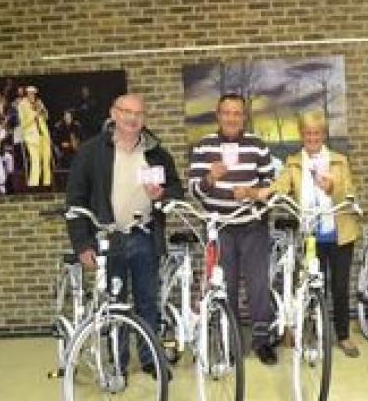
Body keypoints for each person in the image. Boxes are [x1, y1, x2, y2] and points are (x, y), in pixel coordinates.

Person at [65, 93, 183, 378]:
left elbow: (177, 191)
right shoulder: (92, 152)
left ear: (144, 118)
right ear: (113, 113)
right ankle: (118, 363)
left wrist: (162, 194)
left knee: (147, 302)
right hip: (108, 239)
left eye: (138, 113)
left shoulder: (156, 153)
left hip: (144, 235)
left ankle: (150, 359)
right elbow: (75, 200)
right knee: (114, 304)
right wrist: (82, 243)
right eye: (126, 111)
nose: (132, 118)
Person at [260, 109, 361, 357]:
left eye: (317, 133)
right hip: (311, 236)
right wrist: (266, 192)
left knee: (339, 287)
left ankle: (343, 336)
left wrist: (332, 188)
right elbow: (282, 185)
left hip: (339, 234)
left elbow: (350, 194)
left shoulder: (339, 161)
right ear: (301, 134)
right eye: (308, 133)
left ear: (323, 134)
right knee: (313, 287)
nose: (313, 138)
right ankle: (315, 332)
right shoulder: (294, 162)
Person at [188, 93, 278, 365]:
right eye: (226, 113)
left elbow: (272, 187)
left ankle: (262, 341)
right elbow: (194, 191)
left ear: (244, 117)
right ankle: (232, 341)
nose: (231, 118)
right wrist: (209, 178)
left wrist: (252, 192)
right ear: (218, 115)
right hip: (219, 228)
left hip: (252, 225)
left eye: (237, 113)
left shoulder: (258, 146)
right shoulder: (203, 147)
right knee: (224, 286)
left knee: (258, 285)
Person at [17, 85, 52, 187]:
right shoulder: (22, 105)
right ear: (27, 94)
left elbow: (46, 117)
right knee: (35, 160)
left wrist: (43, 110)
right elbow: (23, 124)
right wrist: (35, 113)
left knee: (46, 160)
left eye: (34, 93)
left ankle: (47, 183)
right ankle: (34, 184)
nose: (32, 95)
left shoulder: (38, 102)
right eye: (30, 93)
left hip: (43, 135)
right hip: (31, 136)